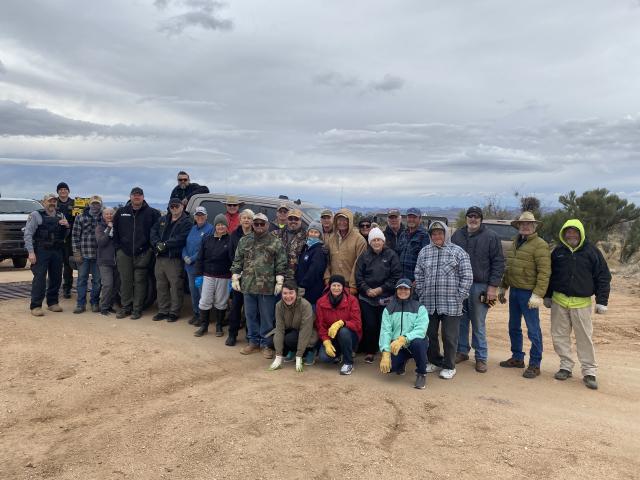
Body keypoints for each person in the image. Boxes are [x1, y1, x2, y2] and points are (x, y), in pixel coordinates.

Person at [544, 219, 611, 390]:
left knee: (584, 338)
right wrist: (548, 295)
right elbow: (550, 275)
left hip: (581, 303)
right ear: (564, 234)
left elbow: (603, 277)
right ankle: (565, 366)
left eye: (574, 232)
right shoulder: (558, 252)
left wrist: (602, 301)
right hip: (559, 301)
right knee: (559, 336)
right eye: (568, 232)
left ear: (580, 233)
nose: (571, 235)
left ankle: (589, 372)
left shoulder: (592, 252)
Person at [415, 221, 472, 380]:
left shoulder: (458, 252)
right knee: (430, 334)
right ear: (430, 236)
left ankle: (449, 366)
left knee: (449, 336)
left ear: (446, 234)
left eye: (440, 233)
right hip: (429, 303)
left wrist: (459, 296)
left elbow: (467, 276)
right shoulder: (424, 252)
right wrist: (421, 292)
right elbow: (418, 274)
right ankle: (433, 361)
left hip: (451, 304)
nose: (437, 236)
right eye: (434, 234)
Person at [451, 206, 505, 373]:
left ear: (481, 219)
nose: (473, 219)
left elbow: (498, 262)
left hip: (481, 285)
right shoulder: (457, 235)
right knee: (461, 320)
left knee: (478, 322)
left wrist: (492, 287)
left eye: (476, 216)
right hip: (460, 284)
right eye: (470, 216)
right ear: (466, 218)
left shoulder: (491, 237)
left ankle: (481, 357)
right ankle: (462, 351)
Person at [498, 211, 551, 379]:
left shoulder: (540, 245)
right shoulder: (516, 242)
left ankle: (535, 364)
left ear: (534, 226)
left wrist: (538, 295)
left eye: (529, 224)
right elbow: (510, 267)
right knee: (513, 326)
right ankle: (517, 357)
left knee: (533, 329)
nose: (525, 226)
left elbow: (544, 272)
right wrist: (503, 286)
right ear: (519, 226)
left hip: (529, 293)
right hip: (514, 290)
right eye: (523, 224)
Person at [231, 212, 288, 358]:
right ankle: (253, 341)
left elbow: (281, 262)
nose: (259, 226)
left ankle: (266, 344)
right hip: (248, 284)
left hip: (267, 286)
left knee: (267, 317)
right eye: (256, 223)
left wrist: (280, 280)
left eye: (262, 223)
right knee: (250, 315)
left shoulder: (275, 242)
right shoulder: (244, 241)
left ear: (267, 225)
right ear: (253, 225)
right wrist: (235, 276)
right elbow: (238, 260)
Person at [113, 187, 160, 320]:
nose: (137, 197)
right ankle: (126, 307)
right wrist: (118, 248)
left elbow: (157, 232)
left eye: (139, 195)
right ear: (130, 197)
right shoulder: (122, 212)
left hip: (144, 253)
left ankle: (137, 309)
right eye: (134, 195)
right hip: (124, 253)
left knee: (140, 281)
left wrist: (151, 249)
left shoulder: (152, 213)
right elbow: (115, 231)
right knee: (125, 281)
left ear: (143, 197)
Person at [355, 227, 401, 363]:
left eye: (379, 240)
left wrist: (381, 289)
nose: (376, 242)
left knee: (385, 325)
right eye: (373, 240)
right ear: (370, 242)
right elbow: (358, 276)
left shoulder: (391, 255)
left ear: (383, 241)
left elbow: (396, 276)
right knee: (370, 325)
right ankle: (370, 351)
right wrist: (367, 289)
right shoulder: (364, 256)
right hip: (367, 297)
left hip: (385, 297)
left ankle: (385, 350)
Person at [379, 278, 430, 389]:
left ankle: (421, 373)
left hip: (413, 342)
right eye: (400, 288)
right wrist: (386, 353)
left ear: (411, 290)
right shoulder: (389, 309)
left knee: (418, 343)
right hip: (397, 345)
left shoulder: (419, 307)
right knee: (389, 368)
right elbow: (385, 332)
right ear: (396, 290)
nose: (403, 291)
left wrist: (404, 338)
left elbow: (421, 329)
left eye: (406, 288)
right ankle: (401, 363)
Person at [24, 193, 70, 316]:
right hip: (41, 250)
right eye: (49, 201)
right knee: (40, 278)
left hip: (57, 250)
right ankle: (36, 306)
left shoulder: (60, 215)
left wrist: (67, 226)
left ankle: (53, 303)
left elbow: (65, 234)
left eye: (54, 201)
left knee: (56, 277)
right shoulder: (36, 215)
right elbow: (28, 234)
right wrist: (31, 252)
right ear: (43, 202)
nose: (52, 203)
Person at [150, 197, 192, 322]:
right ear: (169, 207)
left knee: (175, 286)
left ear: (182, 207)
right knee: (161, 285)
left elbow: (182, 237)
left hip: (174, 258)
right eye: (172, 206)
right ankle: (163, 310)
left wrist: (166, 244)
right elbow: (153, 231)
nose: (174, 209)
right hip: (160, 258)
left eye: (176, 206)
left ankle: (174, 312)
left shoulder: (187, 221)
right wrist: (157, 243)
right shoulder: (163, 219)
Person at [193, 214, 233, 337]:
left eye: (223, 225)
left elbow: (234, 260)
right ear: (215, 225)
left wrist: (233, 277)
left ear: (226, 226)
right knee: (205, 300)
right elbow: (200, 258)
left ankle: (219, 325)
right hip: (208, 275)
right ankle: (204, 326)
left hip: (224, 276)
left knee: (221, 302)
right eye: (218, 224)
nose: (220, 227)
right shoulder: (207, 238)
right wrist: (198, 275)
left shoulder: (231, 240)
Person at [267, 282, 319, 371]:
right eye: (285, 293)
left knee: (290, 339)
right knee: (271, 340)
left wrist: (299, 356)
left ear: (296, 293)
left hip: (307, 333)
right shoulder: (279, 305)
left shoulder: (305, 305)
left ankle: (308, 352)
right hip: (290, 330)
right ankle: (292, 351)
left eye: (291, 293)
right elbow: (279, 329)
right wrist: (278, 356)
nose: (288, 296)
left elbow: (305, 330)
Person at [316, 275, 362, 375]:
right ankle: (339, 354)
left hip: (349, 336)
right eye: (334, 285)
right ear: (329, 286)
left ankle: (348, 362)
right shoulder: (321, 302)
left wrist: (343, 323)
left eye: (339, 285)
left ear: (343, 287)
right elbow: (321, 325)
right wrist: (326, 341)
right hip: (332, 337)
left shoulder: (352, 300)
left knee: (343, 331)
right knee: (324, 358)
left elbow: (357, 323)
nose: (336, 288)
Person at [225, 208, 254, 346]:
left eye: (249, 218)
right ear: (240, 219)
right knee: (236, 306)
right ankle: (232, 334)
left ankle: (250, 335)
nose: (246, 220)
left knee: (251, 308)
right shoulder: (234, 235)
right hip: (238, 275)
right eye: (244, 218)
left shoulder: (257, 235)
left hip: (253, 277)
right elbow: (231, 254)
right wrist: (238, 270)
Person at [323, 208, 367, 294]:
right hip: (333, 285)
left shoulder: (359, 240)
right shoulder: (331, 238)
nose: (341, 222)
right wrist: (327, 277)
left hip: (349, 287)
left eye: (344, 220)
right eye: (339, 220)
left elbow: (359, 264)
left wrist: (353, 285)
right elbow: (326, 260)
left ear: (350, 221)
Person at [183, 206, 214, 326]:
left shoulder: (210, 229)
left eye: (202, 215)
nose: (200, 217)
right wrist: (184, 255)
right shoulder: (192, 228)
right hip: (190, 267)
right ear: (195, 217)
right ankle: (196, 314)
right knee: (193, 292)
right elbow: (185, 244)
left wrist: (192, 258)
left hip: (201, 267)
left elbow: (204, 248)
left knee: (203, 293)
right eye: (198, 215)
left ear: (206, 216)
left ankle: (204, 317)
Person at [71, 195, 103, 314]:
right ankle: (80, 304)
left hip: (99, 255)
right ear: (89, 204)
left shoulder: (103, 218)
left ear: (101, 204)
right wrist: (76, 252)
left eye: (97, 203)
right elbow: (74, 236)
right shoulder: (80, 217)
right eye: (93, 203)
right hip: (83, 254)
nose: (95, 206)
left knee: (97, 280)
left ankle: (94, 302)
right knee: (81, 279)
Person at [295, 221, 328, 308]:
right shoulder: (306, 247)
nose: (313, 234)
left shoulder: (319, 250)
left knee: (309, 315)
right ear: (308, 232)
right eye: (311, 231)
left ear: (320, 235)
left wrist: (303, 285)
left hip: (312, 291)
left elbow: (314, 271)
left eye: (316, 232)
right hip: (302, 288)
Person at [396, 208, 430, 283]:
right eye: (409, 217)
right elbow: (397, 254)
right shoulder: (403, 234)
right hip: (400, 279)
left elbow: (427, 261)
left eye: (414, 217)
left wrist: (418, 279)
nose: (411, 219)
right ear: (406, 218)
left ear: (420, 219)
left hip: (415, 281)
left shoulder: (425, 236)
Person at [95, 207, 118, 316]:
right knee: (107, 284)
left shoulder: (118, 227)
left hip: (116, 260)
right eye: (107, 214)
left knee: (115, 285)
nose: (109, 216)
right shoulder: (99, 227)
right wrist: (108, 229)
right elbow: (101, 242)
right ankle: (103, 307)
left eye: (111, 214)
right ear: (103, 216)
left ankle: (110, 305)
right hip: (104, 260)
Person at [273, 208, 307, 276]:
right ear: (287, 220)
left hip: (295, 276)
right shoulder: (276, 234)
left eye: (296, 219)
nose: (293, 221)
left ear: (301, 220)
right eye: (290, 219)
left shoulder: (306, 236)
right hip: (277, 273)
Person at [56, 182, 75, 298]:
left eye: (65, 189)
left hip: (70, 238)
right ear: (58, 191)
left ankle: (67, 288)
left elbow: (79, 219)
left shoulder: (74, 203)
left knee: (68, 265)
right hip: (56, 238)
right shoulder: (54, 203)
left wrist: (69, 225)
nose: (63, 191)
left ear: (68, 191)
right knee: (56, 264)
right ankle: (54, 288)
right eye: (61, 189)